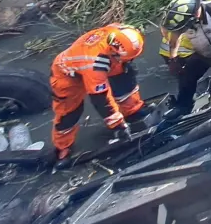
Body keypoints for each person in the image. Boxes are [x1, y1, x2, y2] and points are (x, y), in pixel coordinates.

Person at [50, 24, 148, 161]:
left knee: (124, 78)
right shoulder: (95, 63)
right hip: (68, 74)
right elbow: (100, 99)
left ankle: (133, 111)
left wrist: (125, 62)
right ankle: (63, 146)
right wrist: (117, 125)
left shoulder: (120, 34)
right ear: (115, 52)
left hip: (104, 58)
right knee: (70, 113)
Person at [158, 0, 211, 119]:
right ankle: (183, 106)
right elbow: (174, 40)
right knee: (187, 76)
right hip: (204, 53)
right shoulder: (182, 21)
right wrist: (173, 60)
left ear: (194, 16)